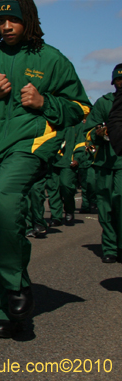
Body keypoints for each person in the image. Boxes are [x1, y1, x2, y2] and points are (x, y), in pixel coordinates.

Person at [0, 0, 90, 339]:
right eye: (0, 20)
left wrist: (45, 102)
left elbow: (80, 108)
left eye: (13, 19)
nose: (7, 26)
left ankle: (16, 286)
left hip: (30, 144)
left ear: (28, 20)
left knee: (3, 198)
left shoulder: (52, 59)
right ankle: (6, 309)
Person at [84, 64, 122, 263]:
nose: (121, 83)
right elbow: (89, 130)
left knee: (120, 201)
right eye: (118, 80)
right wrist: (98, 133)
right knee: (105, 205)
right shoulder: (104, 102)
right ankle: (109, 247)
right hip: (105, 161)